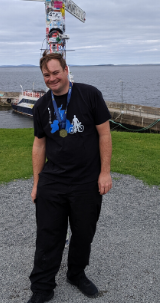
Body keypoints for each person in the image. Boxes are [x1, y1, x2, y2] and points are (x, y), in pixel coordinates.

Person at [27, 52, 112, 303]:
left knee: (83, 232)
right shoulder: (41, 106)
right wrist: (36, 183)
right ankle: (42, 287)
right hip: (53, 181)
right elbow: (39, 145)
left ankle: (76, 273)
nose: (52, 79)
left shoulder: (90, 95)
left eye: (55, 72)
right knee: (48, 234)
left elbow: (105, 135)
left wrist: (105, 172)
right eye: (46, 75)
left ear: (66, 69)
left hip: (86, 180)